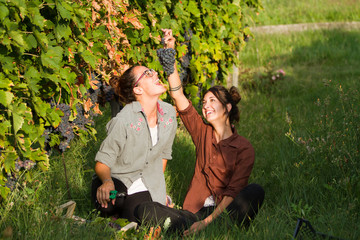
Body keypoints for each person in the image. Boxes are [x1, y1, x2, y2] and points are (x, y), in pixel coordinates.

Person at [136, 29, 265, 236]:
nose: (206, 106)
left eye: (212, 101)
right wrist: (170, 60)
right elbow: (179, 97)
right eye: (204, 103)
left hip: (222, 212)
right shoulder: (202, 132)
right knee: (144, 209)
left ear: (227, 108)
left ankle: (209, 229)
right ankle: (192, 228)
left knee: (255, 191)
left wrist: (206, 223)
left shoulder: (244, 148)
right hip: (193, 213)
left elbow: (233, 192)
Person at [91, 65, 177, 222]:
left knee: (139, 217)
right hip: (118, 181)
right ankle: (108, 199)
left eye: (153, 71)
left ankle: (185, 218)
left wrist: (157, 188)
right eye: (147, 73)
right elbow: (102, 163)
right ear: (138, 90)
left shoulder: (169, 114)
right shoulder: (123, 121)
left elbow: (164, 155)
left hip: (144, 184)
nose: (155, 73)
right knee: (111, 203)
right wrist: (107, 182)